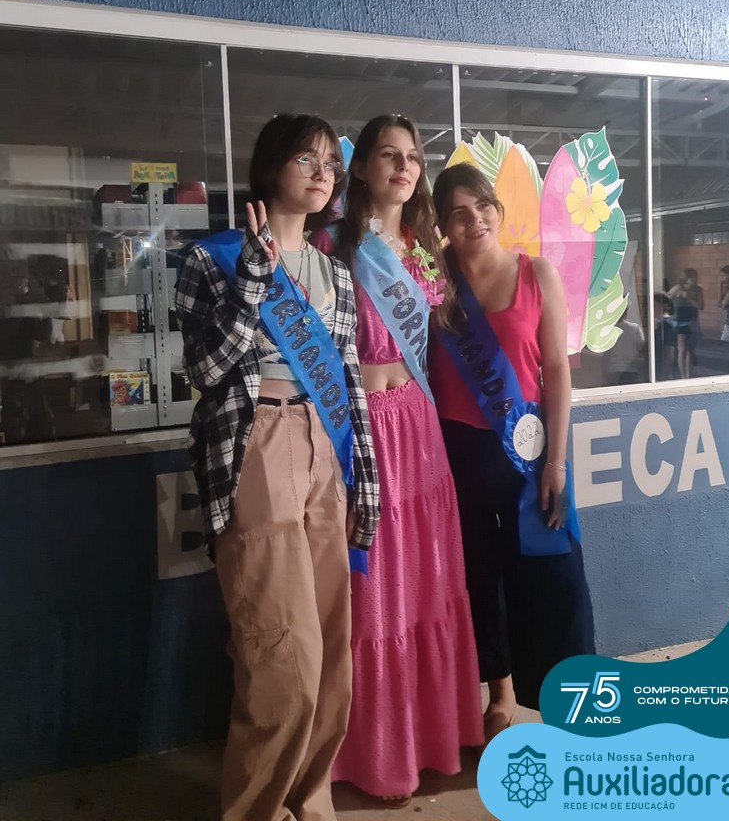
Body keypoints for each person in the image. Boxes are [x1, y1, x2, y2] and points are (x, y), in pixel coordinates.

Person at [175, 113, 379, 821]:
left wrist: (365, 475)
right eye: (306, 160)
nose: (323, 174)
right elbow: (205, 370)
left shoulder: (334, 272)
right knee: (280, 656)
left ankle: (310, 802)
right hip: (255, 441)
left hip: (326, 446)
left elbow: (348, 380)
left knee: (330, 654)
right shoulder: (212, 261)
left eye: (330, 164)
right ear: (271, 169)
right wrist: (255, 284)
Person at [313, 114, 483, 808]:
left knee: (425, 580)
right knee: (373, 589)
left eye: (412, 157)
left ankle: (432, 736)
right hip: (361, 425)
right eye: (388, 154)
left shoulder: (423, 248)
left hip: (418, 425)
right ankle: (371, 752)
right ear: (360, 167)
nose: (403, 167)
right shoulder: (331, 244)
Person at [428, 162, 595, 726]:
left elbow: (557, 371)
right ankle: (498, 696)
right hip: (457, 453)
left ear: (497, 210)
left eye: (482, 206)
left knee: (557, 576)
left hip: (529, 454)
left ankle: (571, 696)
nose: (474, 220)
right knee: (481, 575)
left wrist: (557, 462)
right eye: (458, 213)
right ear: (443, 226)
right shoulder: (432, 284)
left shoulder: (536, 273)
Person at [667, 268, 704, 379]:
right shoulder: (678, 288)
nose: (694, 280)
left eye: (695, 278)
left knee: (691, 349)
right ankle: (683, 375)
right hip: (680, 322)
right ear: (686, 279)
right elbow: (666, 298)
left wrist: (689, 298)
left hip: (692, 320)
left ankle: (689, 374)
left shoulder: (698, 290)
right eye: (691, 278)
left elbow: (701, 306)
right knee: (682, 349)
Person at [604, 307, 646, 386]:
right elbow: (641, 346)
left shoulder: (608, 330)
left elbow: (606, 354)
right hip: (631, 369)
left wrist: (604, 373)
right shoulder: (634, 328)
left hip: (614, 369)